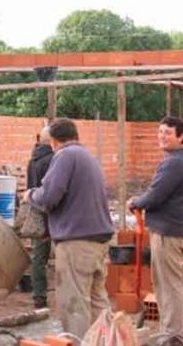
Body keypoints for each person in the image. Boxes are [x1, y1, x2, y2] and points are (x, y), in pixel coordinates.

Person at [24, 118, 115, 340]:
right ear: (76, 135)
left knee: (74, 305)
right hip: (98, 241)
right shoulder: (87, 157)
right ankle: (107, 341)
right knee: (97, 302)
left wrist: (31, 195)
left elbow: (49, 196)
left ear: (53, 142)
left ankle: (79, 341)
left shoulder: (64, 156)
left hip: (76, 242)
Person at [127, 117, 183, 340]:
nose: (162, 137)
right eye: (160, 132)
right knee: (178, 282)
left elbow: (156, 195)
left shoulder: (174, 162)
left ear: (181, 136)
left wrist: (136, 202)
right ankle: (181, 327)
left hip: (169, 233)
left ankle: (172, 335)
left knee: (169, 285)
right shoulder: (180, 160)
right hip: (178, 231)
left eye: (167, 133)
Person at [26, 126, 54, 309]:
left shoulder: (32, 160)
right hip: (53, 214)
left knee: (38, 256)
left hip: (36, 212)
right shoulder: (53, 160)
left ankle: (39, 297)